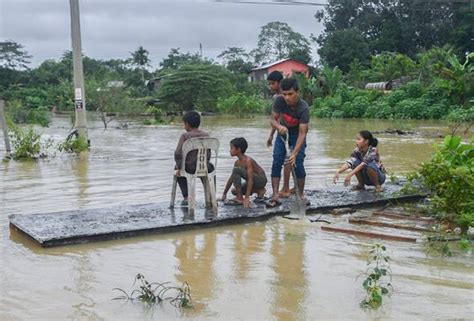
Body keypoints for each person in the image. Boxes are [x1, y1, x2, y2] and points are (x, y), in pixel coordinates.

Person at [267, 77, 310, 208]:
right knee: (277, 161)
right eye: (285, 94)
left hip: (297, 134)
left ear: (297, 92)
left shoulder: (303, 107)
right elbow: (273, 120)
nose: (287, 97)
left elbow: (303, 133)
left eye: (290, 94)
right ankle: (275, 194)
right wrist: (279, 127)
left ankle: (300, 194)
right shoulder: (279, 101)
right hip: (283, 133)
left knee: (297, 162)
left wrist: (295, 152)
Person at [265, 71, 294, 198]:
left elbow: (276, 119)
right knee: (286, 159)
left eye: (272, 84)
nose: (270, 86)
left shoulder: (280, 97)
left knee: (286, 160)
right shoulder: (282, 95)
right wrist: (272, 134)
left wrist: (272, 134)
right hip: (282, 130)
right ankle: (284, 188)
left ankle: (285, 188)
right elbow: (276, 119)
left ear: (278, 83)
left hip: (287, 131)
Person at [174, 111, 212, 205]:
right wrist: (205, 162)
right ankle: (210, 195)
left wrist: (179, 166)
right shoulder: (206, 135)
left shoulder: (185, 136)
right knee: (208, 169)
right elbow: (208, 152)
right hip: (205, 167)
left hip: (189, 168)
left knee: (176, 169)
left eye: (184, 124)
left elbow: (178, 153)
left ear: (187, 124)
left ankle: (187, 197)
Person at [221, 137, 267, 208]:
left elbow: (250, 180)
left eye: (231, 148)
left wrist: (246, 198)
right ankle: (259, 190)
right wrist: (224, 194)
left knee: (236, 170)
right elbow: (231, 179)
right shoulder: (237, 162)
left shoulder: (248, 161)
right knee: (234, 191)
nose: (230, 150)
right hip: (253, 181)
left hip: (261, 180)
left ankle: (240, 198)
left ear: (238, 149)